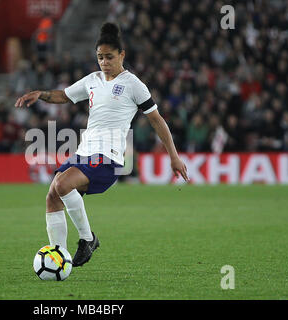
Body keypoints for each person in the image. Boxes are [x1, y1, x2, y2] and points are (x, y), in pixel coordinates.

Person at [15, 22, 189, 267]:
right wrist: (40, 93)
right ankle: (59, 259)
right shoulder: (92, 80)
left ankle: (87, 239)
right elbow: (64, 95)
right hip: (84, 152)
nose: (104, 62)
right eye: (100, 57)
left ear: (122, 55)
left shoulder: (133, 84)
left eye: (109, 57)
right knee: (52, 195)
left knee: (62, 184)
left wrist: (173, 156)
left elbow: (157, 121)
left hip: (109, 157)